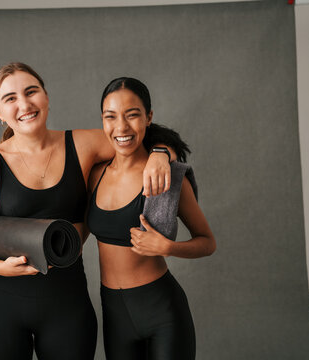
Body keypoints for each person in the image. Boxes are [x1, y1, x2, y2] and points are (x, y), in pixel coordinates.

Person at [0, 63, 176, 360]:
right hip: (0, 307)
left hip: (68, 307)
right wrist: (1, 268)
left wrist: (160, 154)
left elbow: (131, 134)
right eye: (10, 98)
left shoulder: (82, 144)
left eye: (31, 92)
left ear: (47, 97)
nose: (24, 104)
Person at [87, 77, 216, 360]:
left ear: (148, 118)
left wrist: (168, 248)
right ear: (103, 121)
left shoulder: (167, 178)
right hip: (114, 313)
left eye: (132, 115)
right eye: (111, 117)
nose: (121, 127)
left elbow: (207, 242)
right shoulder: (94, 175)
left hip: (162, 311)